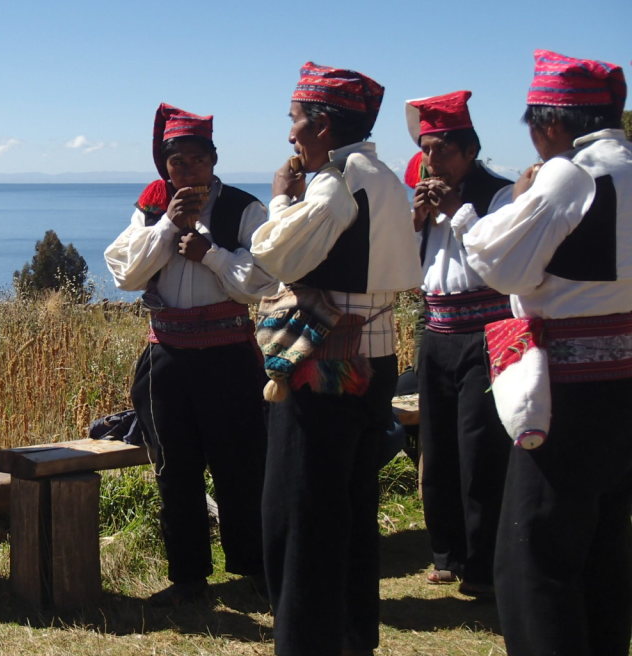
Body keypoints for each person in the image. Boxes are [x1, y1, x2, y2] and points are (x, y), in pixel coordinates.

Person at [462, 50, 632, 656]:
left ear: (552, 124)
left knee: (535, 557)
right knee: (606, 547)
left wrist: (514, 200)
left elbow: (499, 264)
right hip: (623, 384)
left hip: (566, 390)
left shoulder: (572, 174)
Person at [250, 63, 421, 656]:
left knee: (299, 513)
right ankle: (352, 635)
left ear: (323, 125)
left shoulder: (337, 181)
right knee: (349, 506)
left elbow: (276, 256)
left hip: (325, 366)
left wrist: (278, 199)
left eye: (296, 122)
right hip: (374, 356)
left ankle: (307, 641)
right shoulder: (386, 177)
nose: (291, 135)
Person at [104, 103, 277, 605]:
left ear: (214, 159)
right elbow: (125, 275)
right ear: (165, 165)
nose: (186, 170)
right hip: (168, 357)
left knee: (240, 465)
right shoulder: (151, 208)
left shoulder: (244, 208)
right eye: (176, 161)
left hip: (229, 356)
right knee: (174, 469)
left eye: (196, 160)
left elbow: (262, 282)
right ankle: (188, 577)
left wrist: (212, 254)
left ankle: (253, 568)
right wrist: (164, 229)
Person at [407, 90, 513, 597]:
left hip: (488, 332)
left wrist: (458, 213)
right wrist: (415, 225)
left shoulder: (502, 196)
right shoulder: (425, 198)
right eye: (426, 150)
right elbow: (409, 272)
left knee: (481, 449)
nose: (431, 161)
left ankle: (486, 561)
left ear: (470, 150)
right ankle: (447, 552)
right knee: (440, 445)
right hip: (438, 332)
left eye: (442, 150)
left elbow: (502, 263)